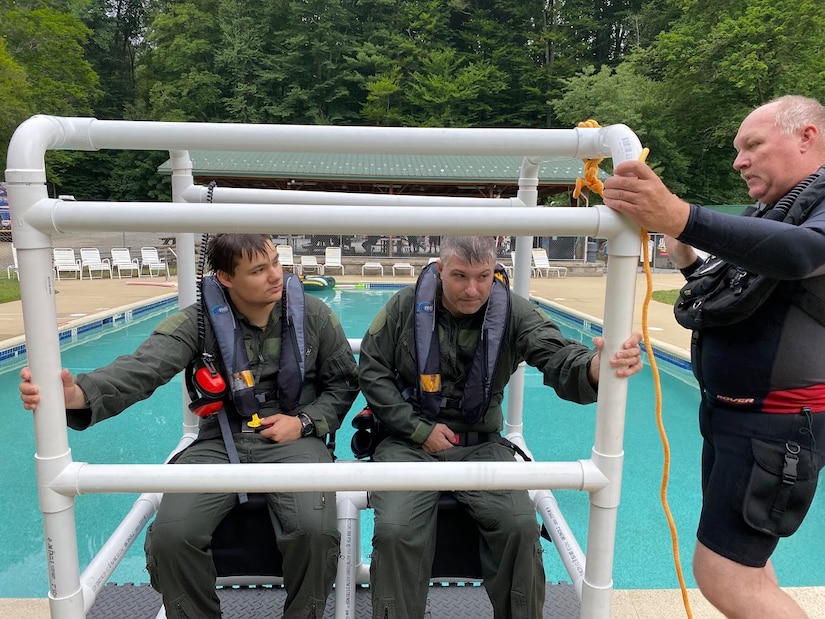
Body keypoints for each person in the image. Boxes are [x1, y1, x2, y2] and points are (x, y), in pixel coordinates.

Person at [19, 234, 359, 619]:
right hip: (221, 440)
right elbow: (144, 366)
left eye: (276, 264)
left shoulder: (314, 316)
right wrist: (78, 393)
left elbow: (345, 382)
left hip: (293, 437)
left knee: (315, 533)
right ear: (225, 278)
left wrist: (303, 422)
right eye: (259, 270)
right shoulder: (198, 321)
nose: (275, 276)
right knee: (170, 538)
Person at [603, 95, 825, 618]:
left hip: (775, 423)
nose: (738, 160)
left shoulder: (808, 218)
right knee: (746, 568)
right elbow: (738, 297)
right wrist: (684, 253)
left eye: (752, 145)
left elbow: (800, 255)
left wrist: (682, 216)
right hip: (738, 419)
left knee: (723, 576)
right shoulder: (779, 211)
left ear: (807, 137)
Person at [358, 236, 643, 619]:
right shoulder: (404, 308)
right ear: (441, 271)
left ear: (494, 273)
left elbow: (554, 350)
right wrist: (417, 429)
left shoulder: (512, 312)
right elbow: (372, 370)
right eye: (459, 276)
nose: (472, 289)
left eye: (482, 276)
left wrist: (594, 367)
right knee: (394, 531)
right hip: (409, 443)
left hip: (482, 444)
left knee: (521, 527)